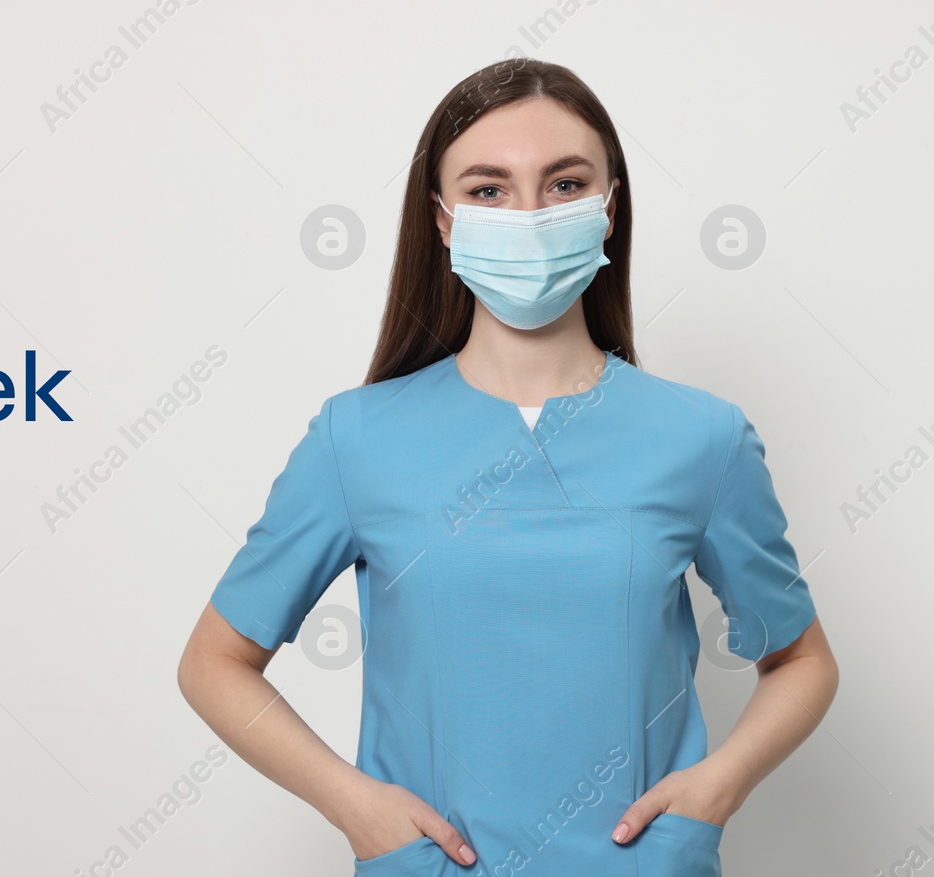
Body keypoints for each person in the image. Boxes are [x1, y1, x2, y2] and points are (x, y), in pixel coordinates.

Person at [175, 59, 839, 877]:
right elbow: (214, 662)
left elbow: (801, 659)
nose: (529, 215)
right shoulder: (357, 439)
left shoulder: (701, 437)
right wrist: (353, 804)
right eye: (489, 189)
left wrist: (718, 788)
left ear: (608, 207)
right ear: (444, 219)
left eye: (564, 184)